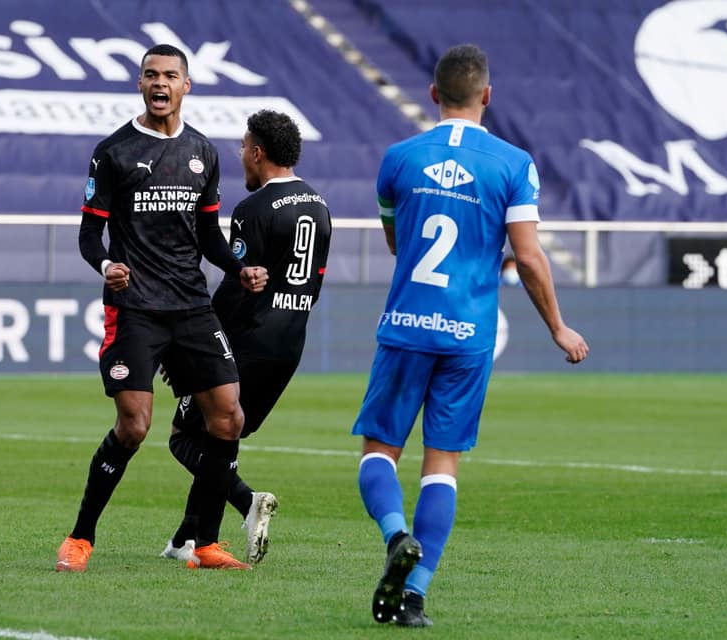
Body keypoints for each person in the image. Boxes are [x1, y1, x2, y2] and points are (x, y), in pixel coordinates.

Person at [352, 44, 589, 627]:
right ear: (487, 95)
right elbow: (528, 257)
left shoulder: (398, 159)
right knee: (442, 465)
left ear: (433, 94)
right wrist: (558, 326)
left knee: (379, 452)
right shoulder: (514, 163)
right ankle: (414, 597)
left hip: (407, 326)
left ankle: (396, 535)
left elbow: (397, 242)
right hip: (467, 334)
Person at [56, 43, 269, 573]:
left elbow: (209, 235)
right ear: (140, 84)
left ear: (185, 85)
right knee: (134, 425)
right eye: (151, 75)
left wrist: (238, 268)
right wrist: (107, 264)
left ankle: (206, 544)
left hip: (191, 305)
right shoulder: (113, 152)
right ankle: (80, 538)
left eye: (170, 75)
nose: (160, 83)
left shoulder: (203, 152)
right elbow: (89, 235)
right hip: (135, 307)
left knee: (229, 417)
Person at [159, 110, 332, 566]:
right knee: (221, 438)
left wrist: (191, 343)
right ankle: (185, 539)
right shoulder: (319, 205)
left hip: (245, 344)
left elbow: (237, 285)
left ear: (258, 152)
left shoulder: (253, 209)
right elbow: (314, 284)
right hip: (289, 344)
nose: (240, 155)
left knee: (183, 438)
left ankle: (246, 500)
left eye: (242, 147)